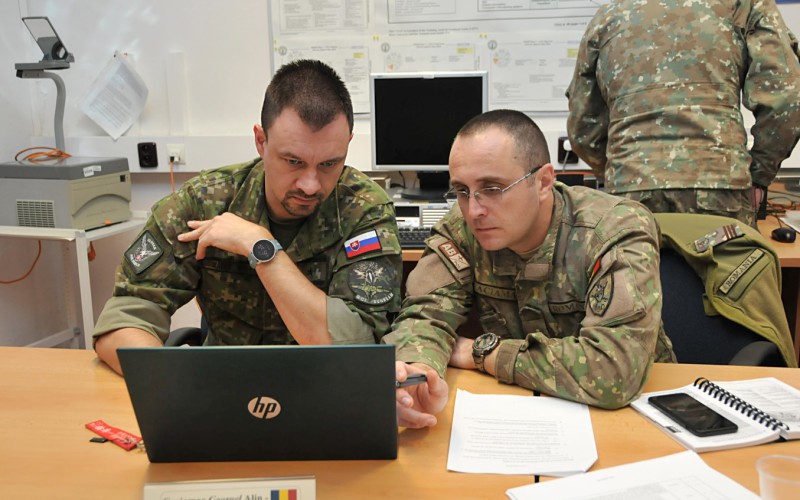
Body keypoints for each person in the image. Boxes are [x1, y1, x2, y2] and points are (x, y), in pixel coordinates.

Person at [94, 59, 402, 375]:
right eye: (293, 161)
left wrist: (262, 247)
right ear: (261, 141)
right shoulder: (206, 201)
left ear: (347, 145)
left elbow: (358, 349)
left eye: (329, 164)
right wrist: (174, 384)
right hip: (224, 390)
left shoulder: (364, 211)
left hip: (326, 388)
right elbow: (126, 317)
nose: (310, 185)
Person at [385, 109, 676, 429]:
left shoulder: (613, 228)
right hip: (519, 414)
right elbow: (424, 315)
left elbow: (613, 371)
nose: (474, 210)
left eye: (492, 188)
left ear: (544, 182)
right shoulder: (460, 230)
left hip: (635, 419)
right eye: (462, 191)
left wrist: (484, 353)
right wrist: (416, 369)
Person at [565, 0, 800, 227]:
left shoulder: (608, 16)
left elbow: (583, 128)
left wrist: (619, 171)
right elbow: (786, 99)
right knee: (732, 268)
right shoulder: (743, 5)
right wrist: (759, 173)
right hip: (719, 187)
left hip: (631, 190)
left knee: (636, 267)